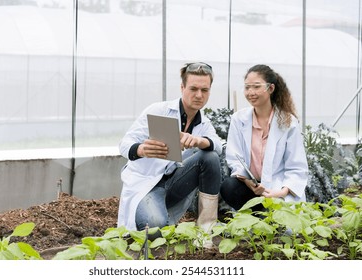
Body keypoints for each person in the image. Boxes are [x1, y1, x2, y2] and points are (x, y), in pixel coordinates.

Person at [117, 62, 222, 246]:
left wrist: (199, 141)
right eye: (194, 88)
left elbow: (218, 146)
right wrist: (141, 149)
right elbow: (124, 145)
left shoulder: (203, 124)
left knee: (210, 157)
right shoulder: (158, 111)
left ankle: (205, 233)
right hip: (146, 186)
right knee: (156, 227)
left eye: (204, 90)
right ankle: (153, 214)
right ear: (182, 87)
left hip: (175, 183)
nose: (199, 95)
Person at [220, 64, 308, 212]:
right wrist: (248, 182)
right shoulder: (239, 119)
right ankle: (258, 219)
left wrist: (281, 192)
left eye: (256, 87)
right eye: (247, 87)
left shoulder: (288, 122)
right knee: (229, 186)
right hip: (250, 188)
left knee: (284, 224)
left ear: (271, 88)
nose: (250, 92)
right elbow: (234, 158)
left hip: (277, 189)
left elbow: (297, 167)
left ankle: (264, 219)